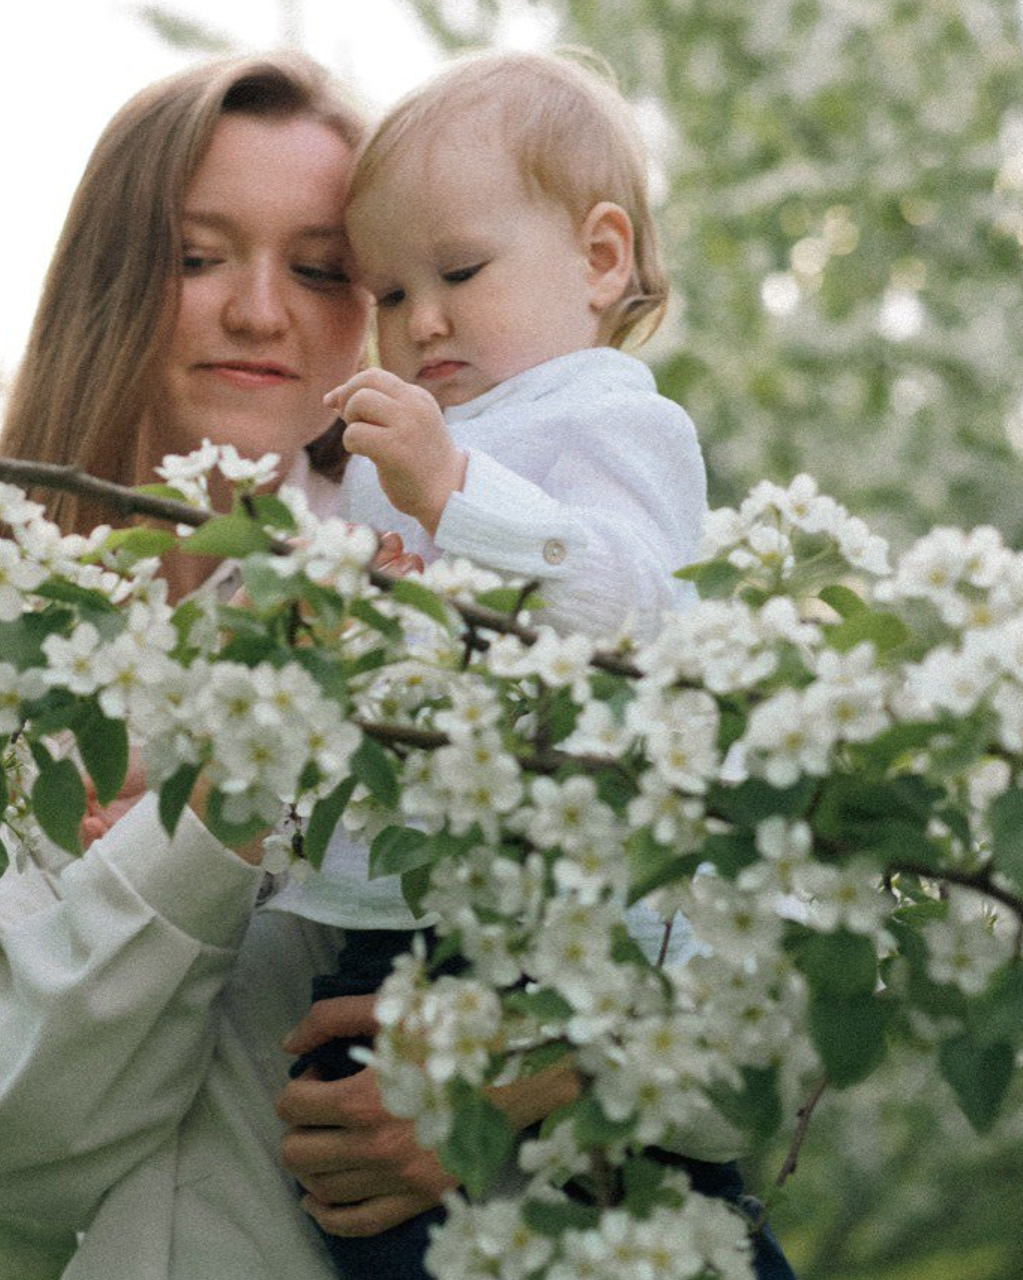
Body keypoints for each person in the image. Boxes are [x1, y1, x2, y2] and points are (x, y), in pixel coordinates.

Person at [0, 52, 512, 1280]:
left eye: (318, 270)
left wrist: (520, 1084)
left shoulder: (453, 587)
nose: (261, 311)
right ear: (107, 275)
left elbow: (722, 997)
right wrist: (220, 802)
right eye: (198, 257)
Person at [263, 50, 794, 1280]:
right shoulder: (408, 447)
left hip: (562, 938)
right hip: (380, 939)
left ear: (600, 259)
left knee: (653, 1219)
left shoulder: (604, 419)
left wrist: (453, 492)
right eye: (390, 294)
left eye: (458, 271)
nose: (422, 319)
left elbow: (636, 614)